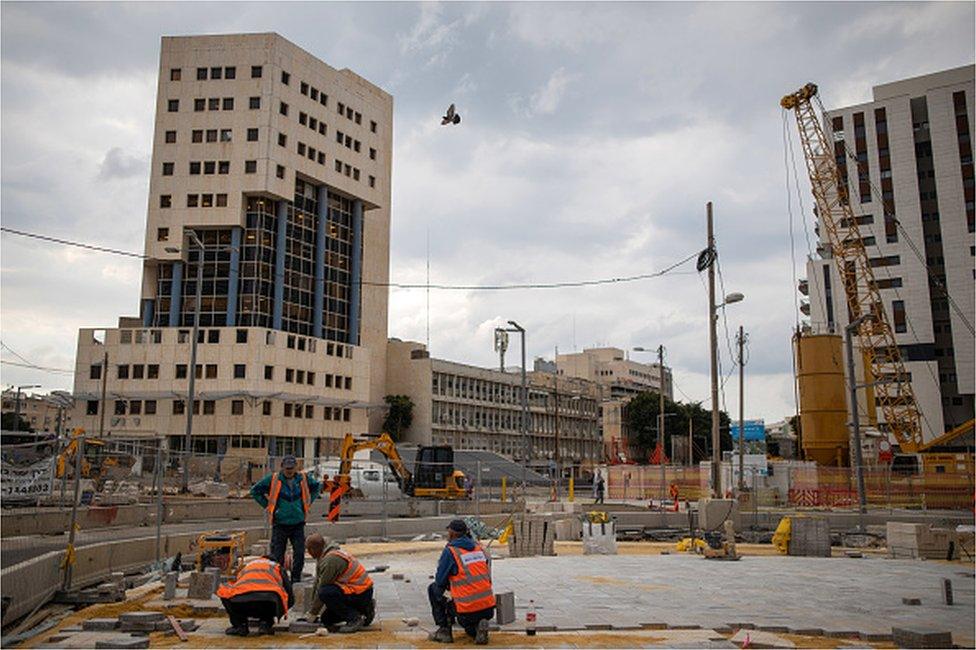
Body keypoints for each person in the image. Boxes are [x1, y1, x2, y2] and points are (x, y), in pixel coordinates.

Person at [250, 455, 321, 584]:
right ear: (282, 467)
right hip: (280, 524)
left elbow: (317, 487)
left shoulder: (303, 479)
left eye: (291, 468)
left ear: (296, 467)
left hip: (297, 523)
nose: (289, 471)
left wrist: (307, 502)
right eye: (287, 468)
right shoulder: (273, 479)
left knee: (299, 554)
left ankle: (295, 579)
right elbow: (255, 491)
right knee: (277, 555)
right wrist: (269, 506)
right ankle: (278, 580)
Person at [428, 519, 495, 645]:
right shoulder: (479, 548)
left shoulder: (451, 551)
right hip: (488, 608)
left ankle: (444, 631)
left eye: (448, 532)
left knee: (434, 589)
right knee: (469, 629)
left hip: (466, 609)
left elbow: (440, 580)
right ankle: (478, 627)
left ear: (452, 533)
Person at [303, 533, 375, 633]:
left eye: (308, 550)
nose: (308, 552)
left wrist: (313, 613)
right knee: (326, 619)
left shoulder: (330, 561)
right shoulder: (324, 554)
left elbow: (321, 588)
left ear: (313, 549)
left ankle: (355, 618)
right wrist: (312, 612)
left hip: (361, 592)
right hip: (354, 591)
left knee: (326, 592)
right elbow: (317, 582)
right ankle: (365, 610)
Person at [217, 555, 294, 637]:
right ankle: (265, 623)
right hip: (268, 603)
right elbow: (289, 593)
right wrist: (281, 610)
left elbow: (236, 584)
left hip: (241, 603)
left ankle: (240, 625)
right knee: (273, 595)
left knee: (224, 590)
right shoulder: (276, 566)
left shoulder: (248, 566)